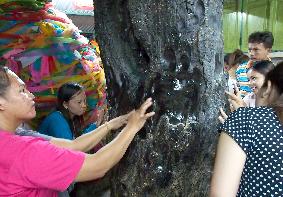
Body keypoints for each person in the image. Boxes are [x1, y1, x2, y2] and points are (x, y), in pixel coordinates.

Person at [0, 66, 155, 196]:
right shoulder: (25, 150)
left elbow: (73, 145)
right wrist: (132, 127)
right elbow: (97, 166)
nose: (31, 95)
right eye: (21, 91)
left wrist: (110, 124)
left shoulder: (18, 134)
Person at [210, 61, 283, 196]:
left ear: (269, 87)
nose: (250, 84)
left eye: (254, 79)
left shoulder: (246, 120)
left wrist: (240, 123)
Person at [236, 31, 274, 98]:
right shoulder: (241, 69)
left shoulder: (275, 72)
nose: (251, 53)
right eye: (250, 50)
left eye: (256, 50)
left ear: (268, 50)